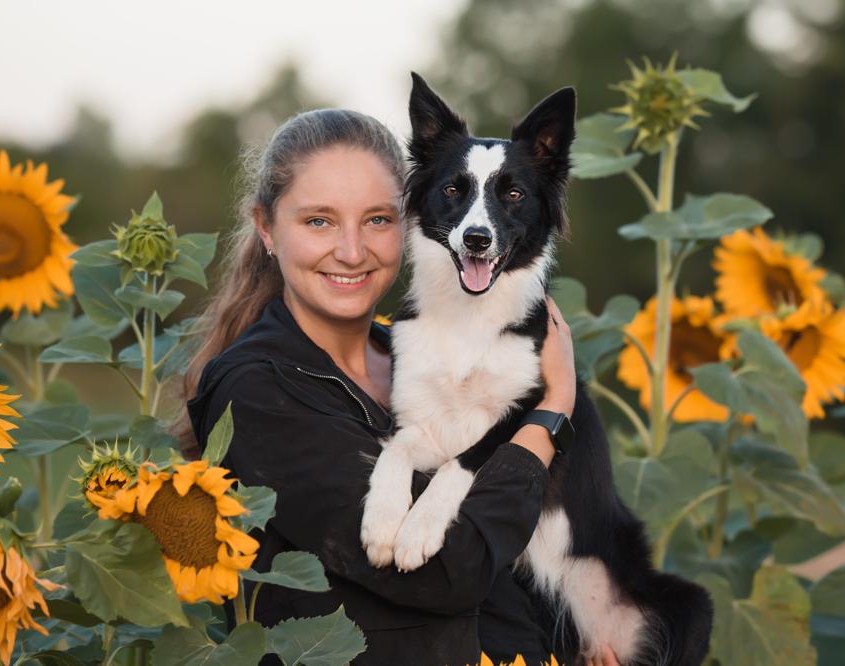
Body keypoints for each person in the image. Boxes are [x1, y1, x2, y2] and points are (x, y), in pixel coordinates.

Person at [178, 108, 613, 666]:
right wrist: (553, 409)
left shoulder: (409, 355)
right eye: (319, 221)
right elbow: (446, 574)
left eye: (378, 220)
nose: (353, 251)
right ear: (266, 228)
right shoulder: (257, 389)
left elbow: (521, 541)